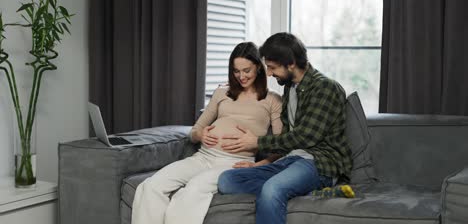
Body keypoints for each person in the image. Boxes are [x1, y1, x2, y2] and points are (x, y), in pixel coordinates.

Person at [131, 42, 283, 224]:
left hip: (233, 164)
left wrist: (260, 164)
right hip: (203, 157)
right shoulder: (222, 92)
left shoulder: (273, 99)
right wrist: (201, 135)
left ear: (258, 67)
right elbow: (194, 132)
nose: (241, 76)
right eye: (236, 71)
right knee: (151, 186)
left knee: (193, 190)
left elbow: (281, 144)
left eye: (246, 70)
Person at [218, 32, 353, 224]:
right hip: (290, 160)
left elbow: (305, 138)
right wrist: (261, 164)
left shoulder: (326, 88)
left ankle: (297, 186)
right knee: (227, 181)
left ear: (291, 64)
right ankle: (306, 190)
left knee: (272, 190)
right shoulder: (290, 87)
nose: (270, 74)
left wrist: (257, 142)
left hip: (320, 162)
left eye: (272, 68)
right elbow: (287, 138)